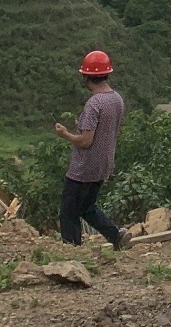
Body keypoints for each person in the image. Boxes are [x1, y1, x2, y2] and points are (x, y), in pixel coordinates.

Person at [52, 49, 130, 251]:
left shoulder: (94, 104)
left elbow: (86, 141)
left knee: (68, 211)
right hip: (103, 164)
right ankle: (115, 236)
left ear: (87, 77)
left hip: (84, 168)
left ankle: (72, 249)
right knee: (87, 207)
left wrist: (65, 134)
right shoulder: (116, 99)